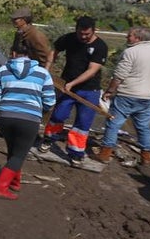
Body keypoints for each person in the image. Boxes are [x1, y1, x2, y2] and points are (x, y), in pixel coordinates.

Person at [0, 42, 57, 199]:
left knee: (13, 151)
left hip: (5, 118)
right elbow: (50, 100)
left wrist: (4, 105)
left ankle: (14, 182)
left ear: (13, 54)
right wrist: (42, 109)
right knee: (19, 154)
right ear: (30, 55)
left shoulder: (2, 70)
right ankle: (1, 188)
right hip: (29, 119)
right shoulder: (42, 73)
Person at [95, 27, 150, 165]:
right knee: (143, 127)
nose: (127, 38)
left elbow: (119, 76)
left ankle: (105, 154)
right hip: (147, 97)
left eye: (129, 36)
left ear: (138, 38)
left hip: (126, 95)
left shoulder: (131, 52)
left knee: (113, 124)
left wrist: (110, 91)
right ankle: (146, 157)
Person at [42, 16, 109, 164]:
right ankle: (49, 139)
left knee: (82, 123)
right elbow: (54, 51)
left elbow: (92, 70)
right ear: (76, 29)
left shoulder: (100, 46)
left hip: (89, 90)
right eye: (80, 33)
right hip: (66, 86)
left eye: (87, 34)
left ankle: (76, 152)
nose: (83, 37)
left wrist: (73, 83)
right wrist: (46, 69)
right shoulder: (69, 38)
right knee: (58, 115)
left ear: (94, 31)